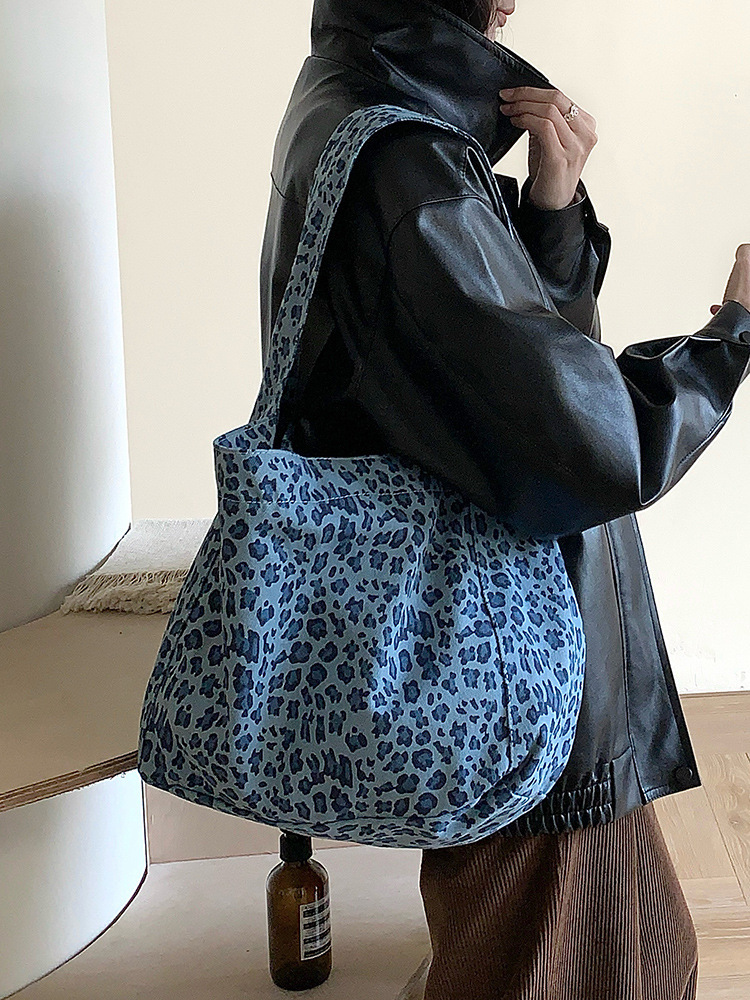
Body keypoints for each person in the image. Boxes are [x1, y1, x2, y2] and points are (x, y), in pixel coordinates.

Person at [259, 1, 750, 996]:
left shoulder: (356, 96)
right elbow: (580, 445)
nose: (513, 4)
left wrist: (551, 213)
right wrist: (729, 337)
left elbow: (493, 371)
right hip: (521, 647)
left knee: (575, 929)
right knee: (578, 950)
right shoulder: (409, 164)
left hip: (487, 632)